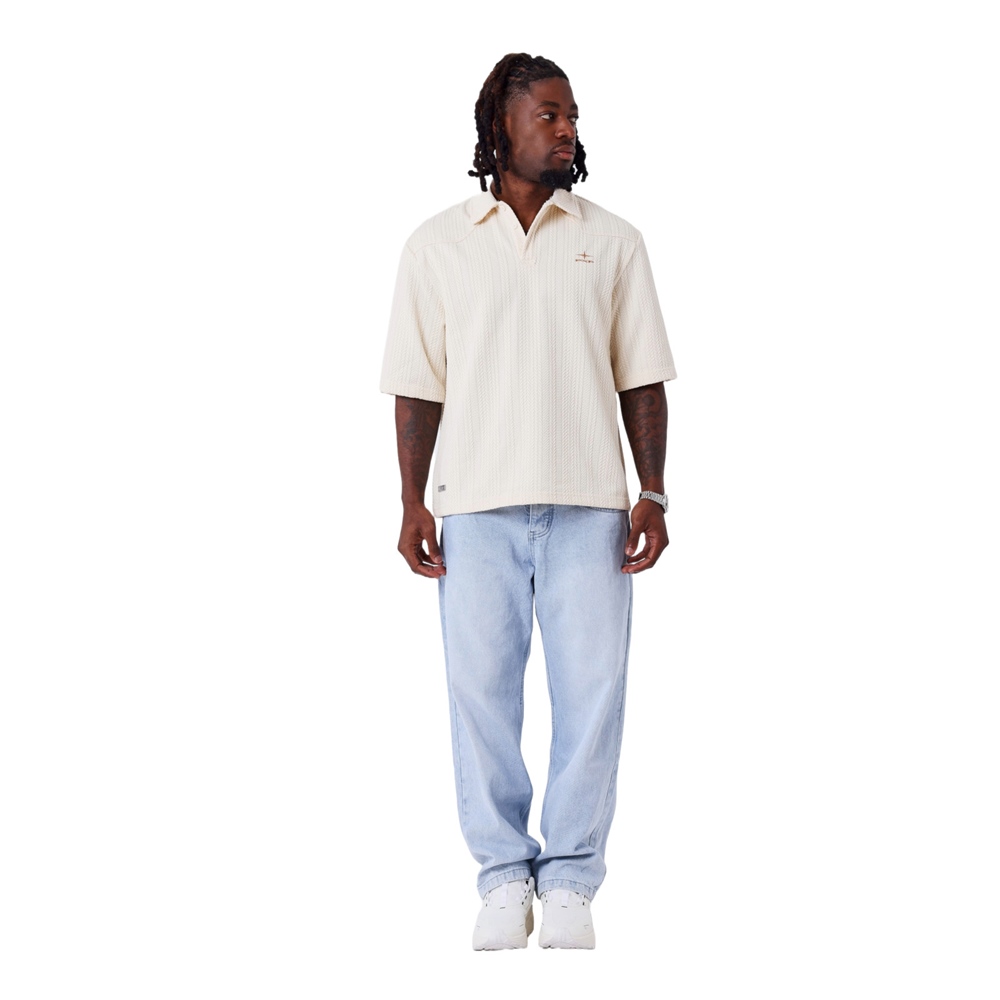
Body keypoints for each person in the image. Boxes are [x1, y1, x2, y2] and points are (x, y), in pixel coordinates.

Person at [380, 53, 676, 950]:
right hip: (474, 508)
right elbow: (417, 386)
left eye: (571, 114)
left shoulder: (613, 240)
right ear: (500, 127)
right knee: (480, 700)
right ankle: (504, 877)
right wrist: (412, 503)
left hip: (591, 508)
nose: (567, 129)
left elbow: (642, 377)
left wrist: (653, 491)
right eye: (548, 114)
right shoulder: (438, 244)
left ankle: (574, 881)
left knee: (593, 698)